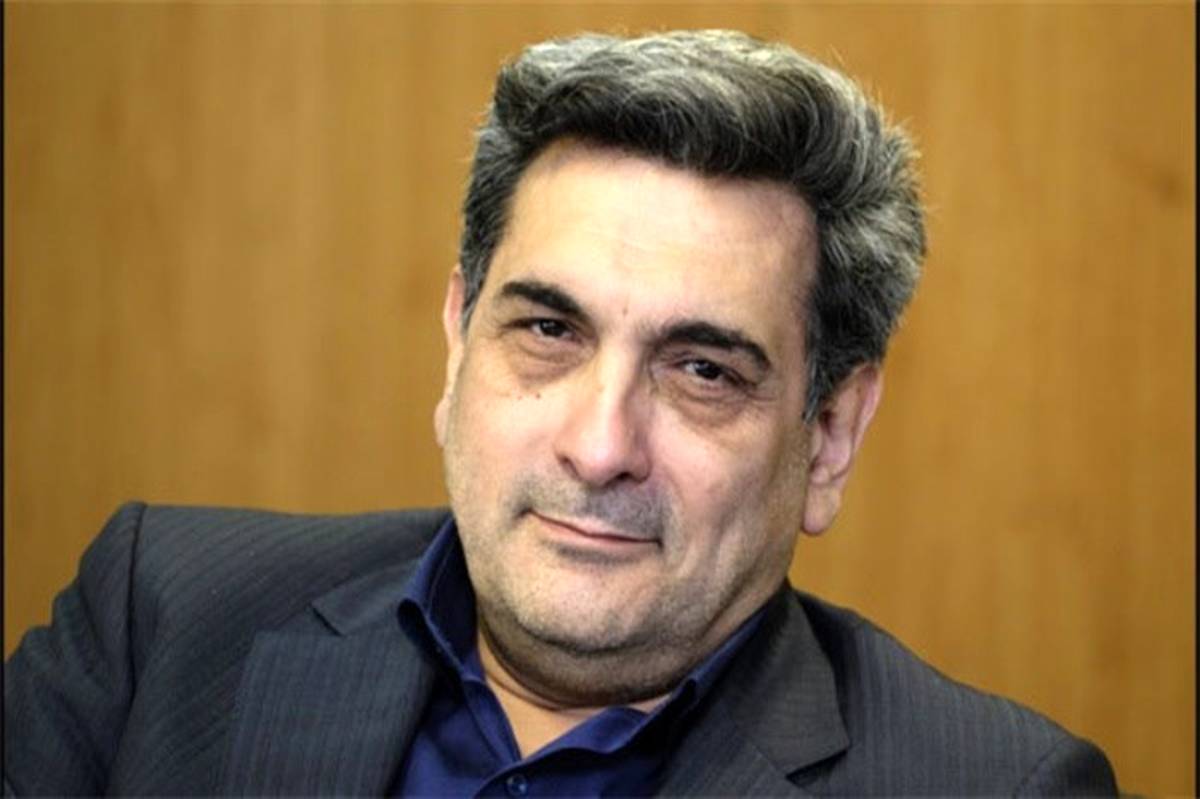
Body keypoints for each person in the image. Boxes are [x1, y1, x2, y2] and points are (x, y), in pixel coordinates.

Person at [4, 29, 1118, 796]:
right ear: (458, 343)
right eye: (548, 330)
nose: (598, 445)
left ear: (828, 437)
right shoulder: (163, 618)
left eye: (702, 371)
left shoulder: (992, 784)